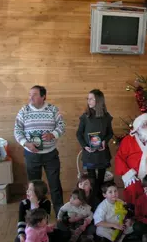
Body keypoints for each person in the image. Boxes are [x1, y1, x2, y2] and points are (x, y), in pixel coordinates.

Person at [14, 85, 65, 214]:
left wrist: (53, 134)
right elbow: (17, 130)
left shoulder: (53, 109)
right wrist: (26, 143)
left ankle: (60, 213)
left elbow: (61, 126)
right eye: (30, 94)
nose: (31, 97)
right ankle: (36, 213)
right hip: (32, 155)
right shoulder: (23, 110)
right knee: (34, 187)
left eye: (35, 94)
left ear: (43, 96)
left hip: (50, 155)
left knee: (55, 185)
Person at [76, 89, 114, 197]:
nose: (89, 100)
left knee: (101, 180)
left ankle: (101, 202)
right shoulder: (85, 117)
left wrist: (104, 142)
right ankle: (93, 203)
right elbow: (79, 134)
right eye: (88, 98)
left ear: (99, 100)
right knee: (92, 180)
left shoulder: (106, 117)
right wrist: (85, 146)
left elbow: (110, 133)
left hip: (102, 153)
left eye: (92, 98)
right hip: (90, 154)